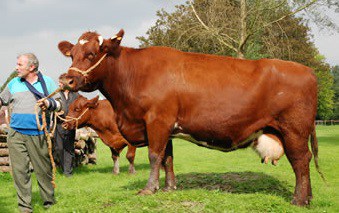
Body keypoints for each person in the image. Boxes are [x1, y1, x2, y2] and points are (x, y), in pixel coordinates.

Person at [0, 53, 61, 212]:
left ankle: (49, 202)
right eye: (17, 64)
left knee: (43, 170)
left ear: (32, 67)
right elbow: (2, 100)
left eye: (20, 64)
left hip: (39, 134)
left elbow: (61, 105)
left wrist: (48, 103)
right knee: (20, 172)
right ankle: (24, 207)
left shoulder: (47, 82)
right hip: (15, 134)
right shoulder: (13, 83)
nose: (16, 67)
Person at [54, 75, 79, 177]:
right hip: (59, 124)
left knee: (68, 148)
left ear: (65, 83)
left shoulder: (76, 95)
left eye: (60, 82)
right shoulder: (56, 95)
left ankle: (67, 172)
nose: (59, 84)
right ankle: (64, 168)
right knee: (59, 148)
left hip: (70, 125)